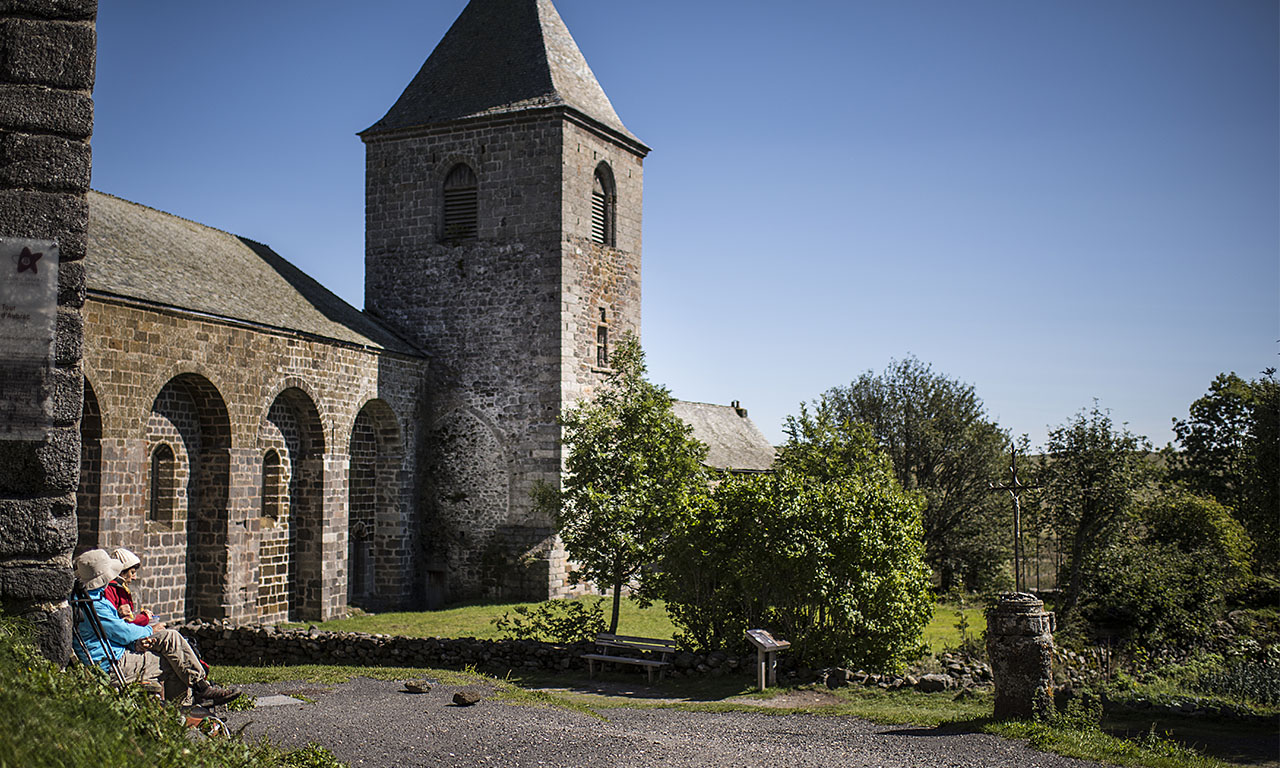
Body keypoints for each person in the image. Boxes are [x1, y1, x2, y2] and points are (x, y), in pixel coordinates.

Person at [72, 549, 240, 706]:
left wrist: (135, 642)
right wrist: (150, 631)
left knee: (170, 637)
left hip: (112, 654)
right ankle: (184, 710)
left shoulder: (86, 598)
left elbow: (113, 633)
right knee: (171, 662)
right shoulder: (94, 605)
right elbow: (123, 633)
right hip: (112, 664)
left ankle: (201, 688)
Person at [102, 547, 150, 626]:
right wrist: (144, 618)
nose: (134, 577)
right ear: (122, 572)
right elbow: (122, 622)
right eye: (132, 572)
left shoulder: (121, 588)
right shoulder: (110, 589)